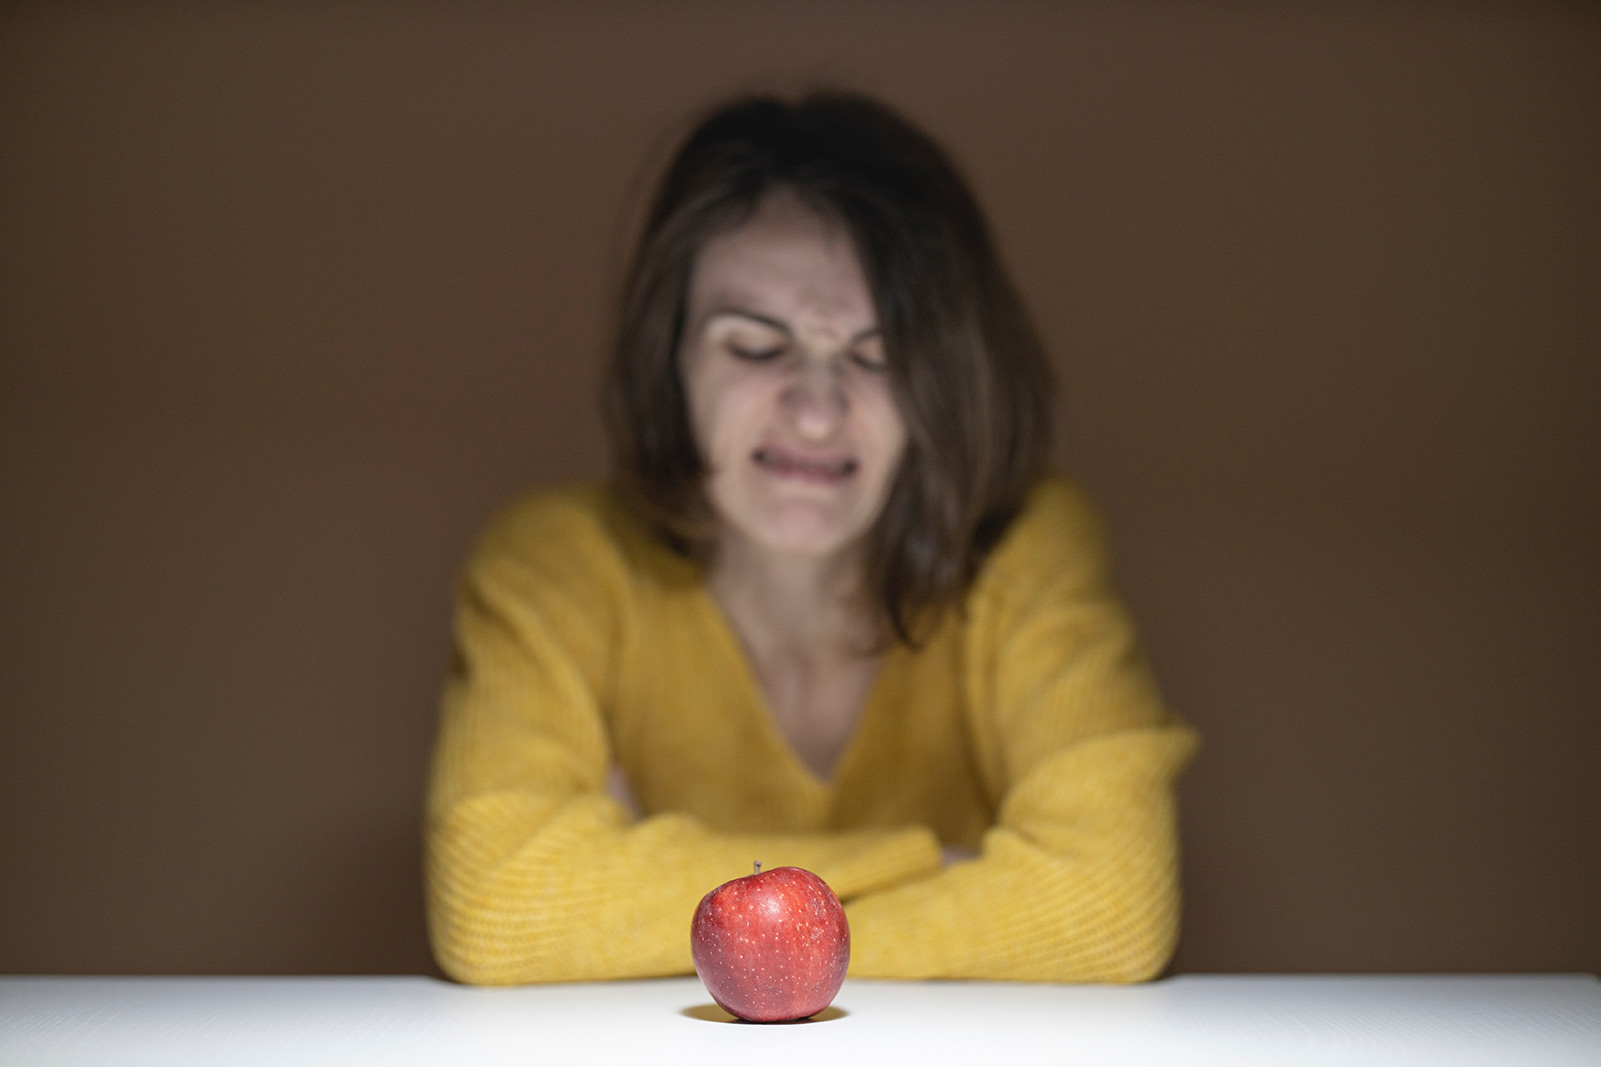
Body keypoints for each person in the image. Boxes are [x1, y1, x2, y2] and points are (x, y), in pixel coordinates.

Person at [424, 92, 1197, 986]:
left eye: (877, 355)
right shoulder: (555, 561)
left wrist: (639, 887)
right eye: (755, 346)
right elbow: (499, 905)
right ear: (667, 355)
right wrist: (941, 866)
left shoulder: (1027, 544)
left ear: (941, 383)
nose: (817, 410)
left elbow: (1109, 909)